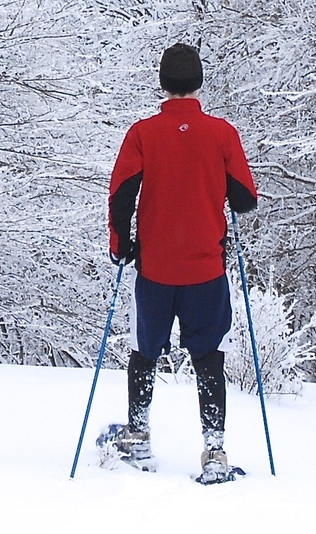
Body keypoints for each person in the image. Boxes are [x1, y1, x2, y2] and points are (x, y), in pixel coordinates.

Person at [101, 42, 258, 484]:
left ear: (163, 84)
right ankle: (213, 450)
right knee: (208, 356)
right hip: (206, 270)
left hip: (155, 269)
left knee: (145, 351)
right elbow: (246, 200)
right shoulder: (222, 134)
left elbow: (121, 195)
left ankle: (138, 434)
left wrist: (121, 244)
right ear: (199, 83)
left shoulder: (142, 134)